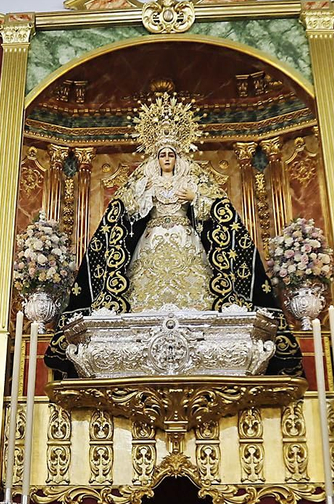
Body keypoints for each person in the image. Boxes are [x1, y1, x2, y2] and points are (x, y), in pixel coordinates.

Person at [46, 92, 299, 377]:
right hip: (152, 242)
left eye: (171, 154)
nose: (167, 158)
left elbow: (218, 209)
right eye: (162, 154)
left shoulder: (193, 180)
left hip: (185, 241)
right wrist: (143, 198)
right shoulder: (144, 180)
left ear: (178, 156)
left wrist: (196, 198)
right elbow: (124, 213)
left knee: (195, 282)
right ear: (155, 157)